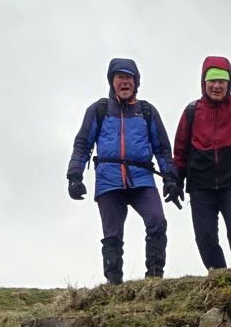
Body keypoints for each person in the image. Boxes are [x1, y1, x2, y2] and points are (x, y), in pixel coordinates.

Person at [67, 58, 181, 283]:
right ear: (112, 81)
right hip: (108, 181)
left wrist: (170, 177)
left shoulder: (147, 111)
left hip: (142, 179)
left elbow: (162, 148)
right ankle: (114, 285)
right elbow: (82, 145)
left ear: (136, 82)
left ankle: (154, 277)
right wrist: (74, 176)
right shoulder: (98, 110)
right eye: (120, 77)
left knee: (157, 221)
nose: (125, 82)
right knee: (112, 234)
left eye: (129, 77)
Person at [172, 56, 231, 271]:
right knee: (205, 236)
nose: (216, 86)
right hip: (200, 184)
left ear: (229, 83)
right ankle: (219, 275)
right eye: (212, 80)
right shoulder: (191, 112)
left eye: (222, 81)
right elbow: (180, 152)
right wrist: (175, 181)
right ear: (204, 82)